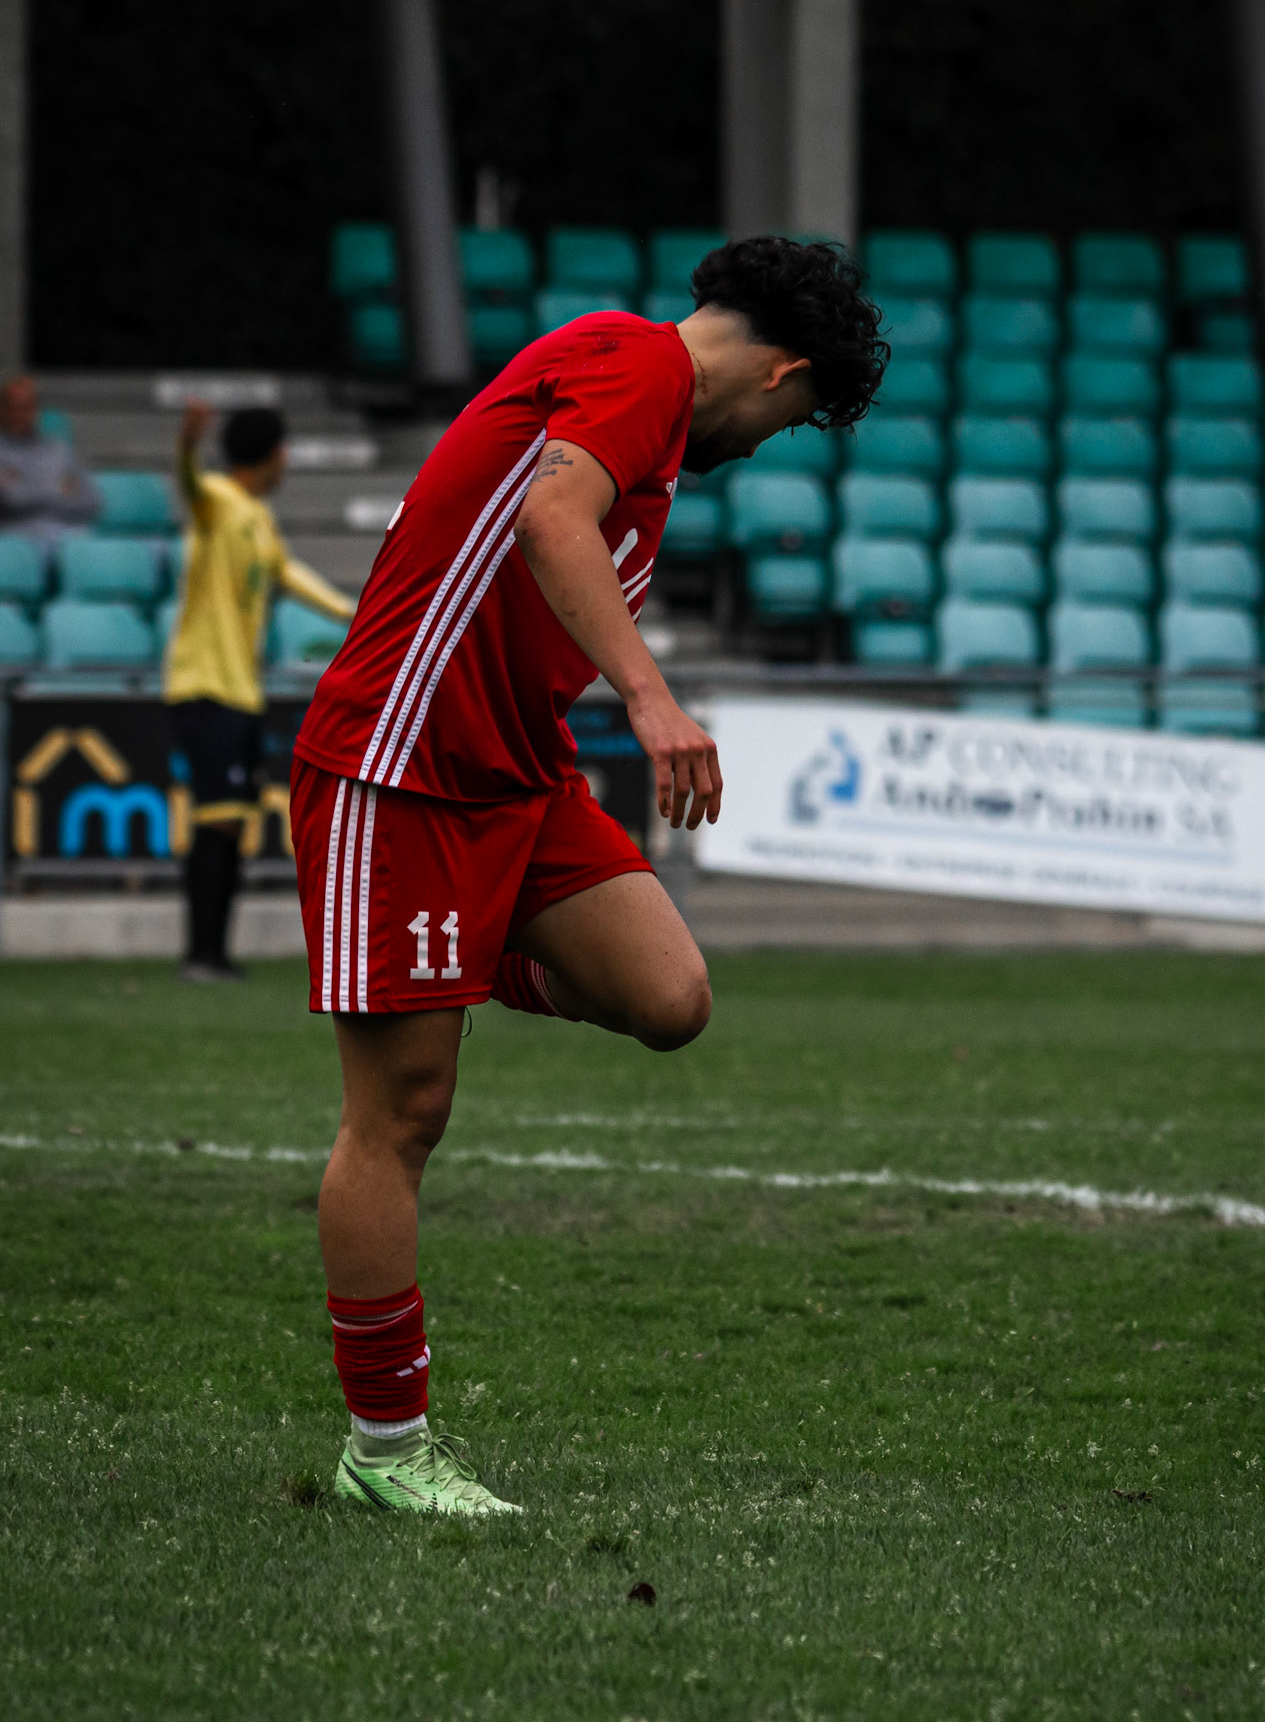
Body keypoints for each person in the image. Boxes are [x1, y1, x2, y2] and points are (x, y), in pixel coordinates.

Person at [290, 235, 887, 1515]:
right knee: (402, 1113)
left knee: (670, 994)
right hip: (403, 762)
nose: (774, 439)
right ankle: (384, 1449)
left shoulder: (655, 441)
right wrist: (654, 698)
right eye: (794, 419)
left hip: (516, 774)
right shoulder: (635, 363)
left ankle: (454, 956)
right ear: (782, 371)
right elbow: (546, 511)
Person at [167, 402, 355, 983]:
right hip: (206, 687)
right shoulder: (220, 500)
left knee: (233, 821)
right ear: (272, 454)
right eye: (284, 449)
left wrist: (360, 613)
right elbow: (189, 483)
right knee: (217, 821)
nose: (288, 460)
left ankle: (214, 954)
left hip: (241, 694)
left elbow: (290, 575)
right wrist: (188, 443)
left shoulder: (255, 516)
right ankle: (201, 956)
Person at [0, 373, 100, 548]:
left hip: (66, 535)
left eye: (26, 407)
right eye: (13, 407)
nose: (18, 414)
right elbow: (10, 503)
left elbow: (91, 502)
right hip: (15, 539)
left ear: (35, 410)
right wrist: (58, 490)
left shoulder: (59, 450)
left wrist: (25, 489)